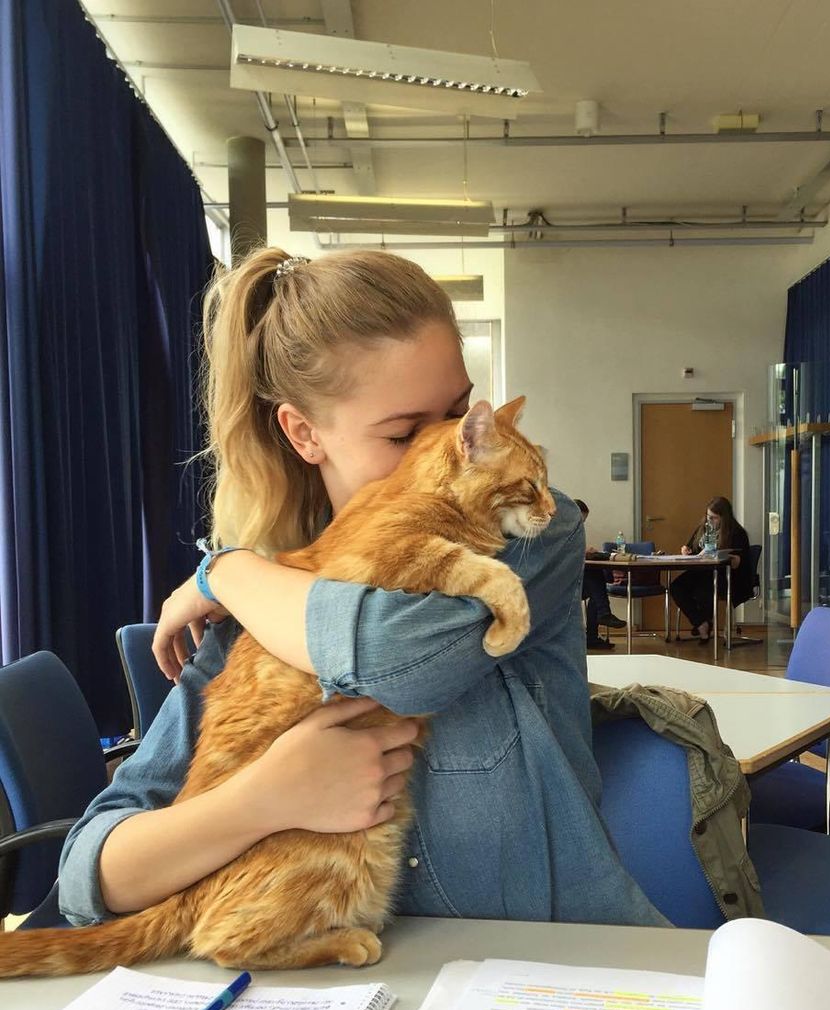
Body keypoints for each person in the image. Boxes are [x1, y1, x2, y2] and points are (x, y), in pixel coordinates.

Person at [57, 247, 669, 931]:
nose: (448, 447)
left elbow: (395, 656)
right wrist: (266, 797)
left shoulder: (526, 534)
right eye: (407, 432)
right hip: (345, 998)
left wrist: (225, 572)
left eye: (461, 413)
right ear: (304, 433)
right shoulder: (261, 608)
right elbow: (89, 872)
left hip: (550, 970)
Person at [670, 496, 751, 643]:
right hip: (701, 571)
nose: (710, 521)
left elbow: (740, 562)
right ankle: (701, 623)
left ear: (724, 518)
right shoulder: (704, 528)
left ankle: (704, 627)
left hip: (725, 576)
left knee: (703, 590)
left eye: (714, 518)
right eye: (708, 517)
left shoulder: (737, 533)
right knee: (676, 586)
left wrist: (732, 558)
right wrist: (685, 550)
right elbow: (691, 548)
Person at [574, 499, 626, 651]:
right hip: (558, 584)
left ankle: (593, 635)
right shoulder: (557, 531)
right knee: (595, 580)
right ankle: (603, 616)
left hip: (573, 580)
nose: (581, 524)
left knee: (595, 586)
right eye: (580, 520)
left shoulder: (573, 532)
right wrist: (583, 552)